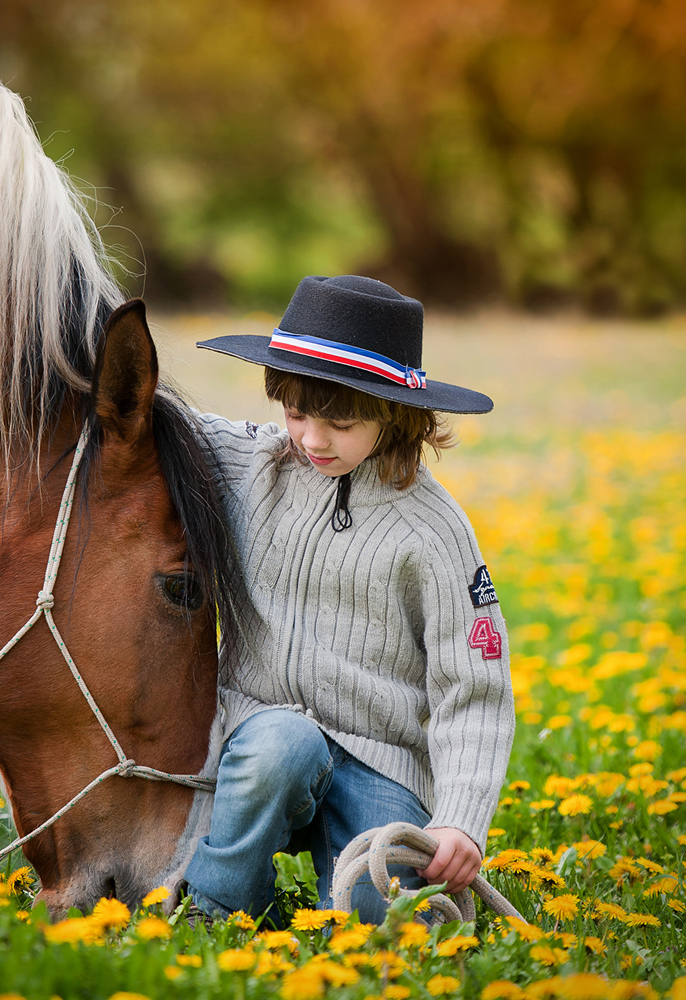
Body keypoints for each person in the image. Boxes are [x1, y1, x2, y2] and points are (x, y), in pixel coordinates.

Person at [182, 275, 514, 924]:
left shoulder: (435, 533)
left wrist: (460, 823)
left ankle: (352, 896)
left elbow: (473, 687)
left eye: (340, 421)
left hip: (378, 757)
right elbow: (156, 419)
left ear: (395, 412)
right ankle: (215, 908)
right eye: (297, 413)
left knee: (389, 918)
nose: (311, 441)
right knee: (285, 746)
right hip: (259, 732)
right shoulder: (256, 463)